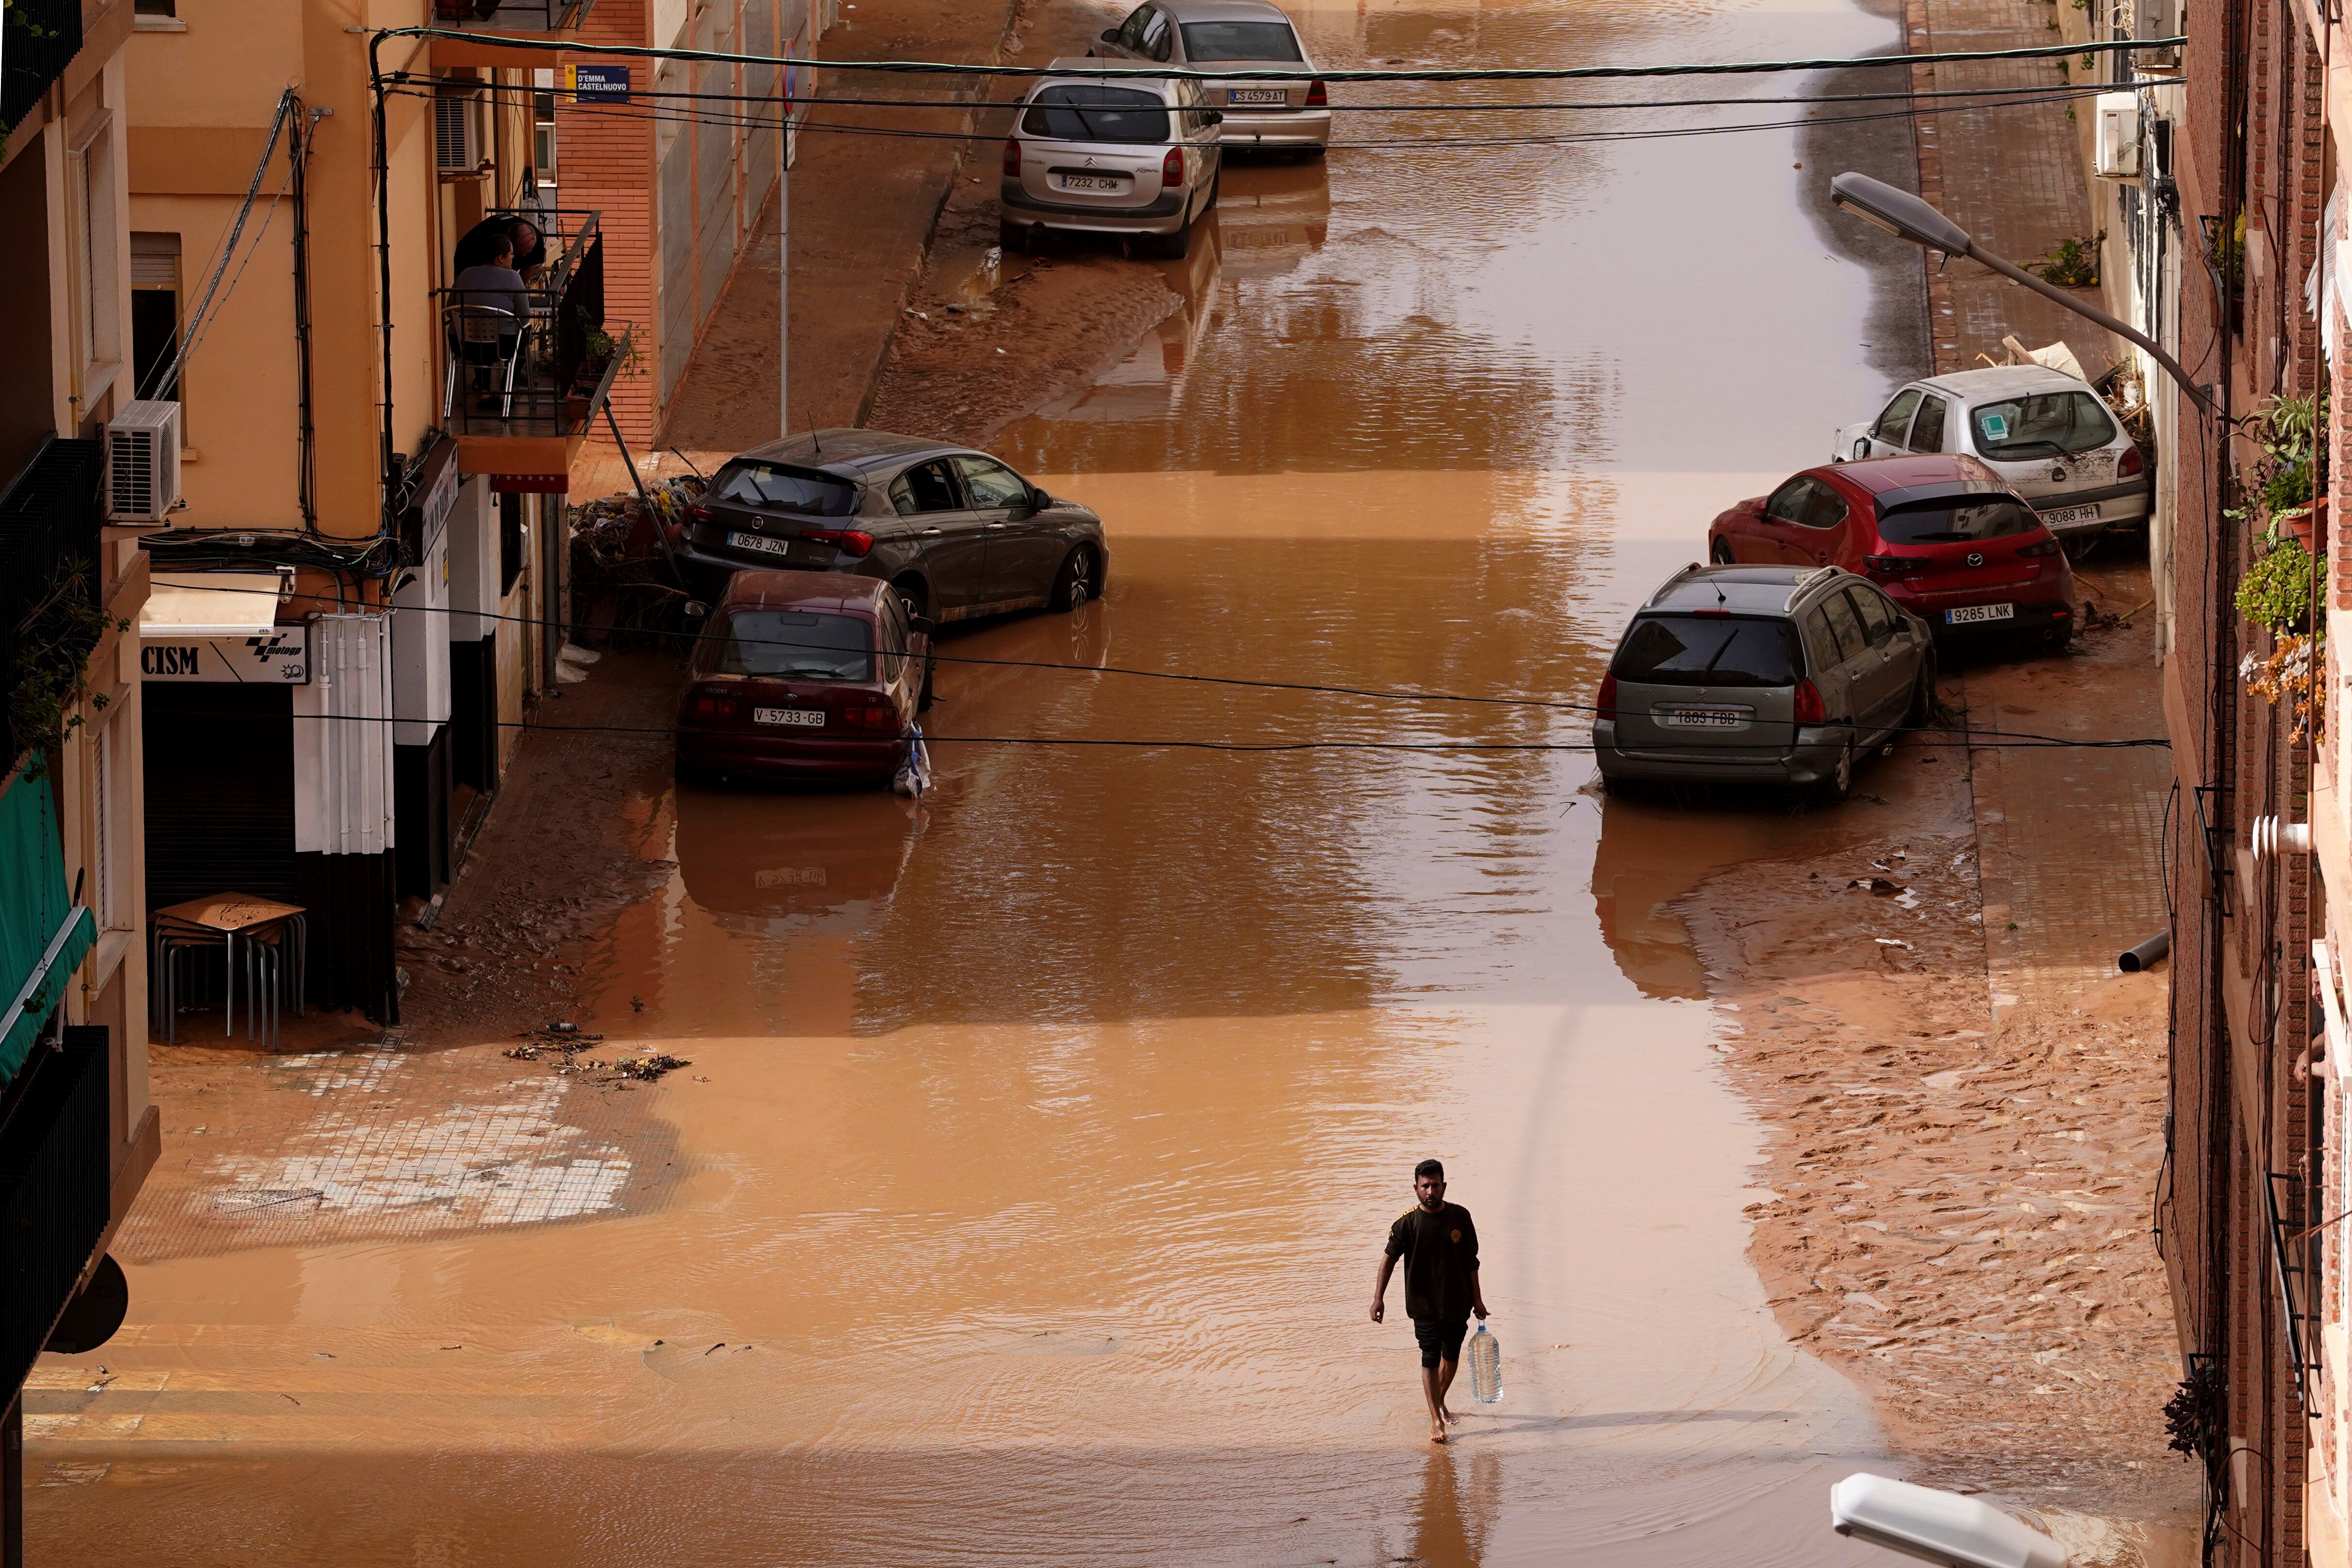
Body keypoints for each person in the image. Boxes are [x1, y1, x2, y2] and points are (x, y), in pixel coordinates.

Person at [1371, 1158, 1487, 1445]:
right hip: (1423, 1306)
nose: (1431, 1191)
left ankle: (1440, 1400)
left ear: (1444, 1186)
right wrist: (1378, 1298)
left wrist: (1478, 1301)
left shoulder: (1461, 1217)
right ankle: (1436, 1418)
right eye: (1425, 1186)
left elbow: (1472, 1263)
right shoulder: (1407, 1224)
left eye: (1436, 1185)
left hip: (1457, 1303)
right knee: (1430, 1358)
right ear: (1416, 1188)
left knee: (1452, 1356)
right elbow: (1388, 1260)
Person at [450, 234, 533, 400]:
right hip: (502, 345)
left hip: (463, 345)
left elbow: (449, 309)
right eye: (511, 255)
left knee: (481, 336)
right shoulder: (513, 277)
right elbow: (525, 317)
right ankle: (505, 388)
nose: (513, 258)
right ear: (501, 258)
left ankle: (483, 388)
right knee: (526, 332)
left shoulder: (465, 274)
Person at [453, 212, 547, 280]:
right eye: (520, 252)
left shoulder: (536, 239)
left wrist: (521, 292)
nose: (523, 256)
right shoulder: (490, 237)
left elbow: (529, 266)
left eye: (528, 253)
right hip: (468, 255)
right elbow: (491, 273)